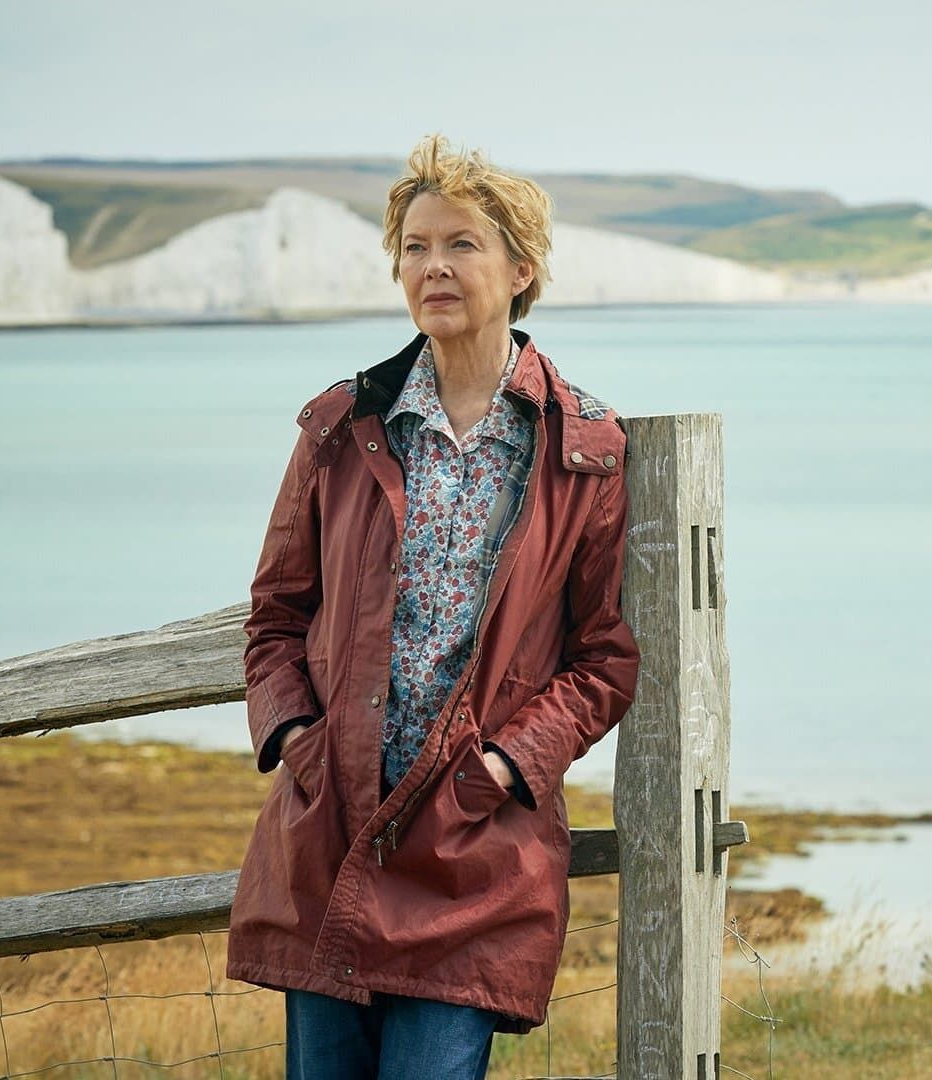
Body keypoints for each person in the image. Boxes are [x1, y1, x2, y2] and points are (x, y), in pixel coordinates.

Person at [225, 134, 640, 1078]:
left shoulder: (582, 448)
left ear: (520, 270)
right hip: (332, 828)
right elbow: (275, 616)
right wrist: (299, 738)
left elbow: (603, 659)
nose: (433, 267)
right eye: (414, 247)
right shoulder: (342, 425)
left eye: (461, 244)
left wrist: (504, 766)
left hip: (474, 849)